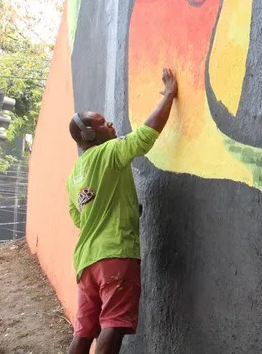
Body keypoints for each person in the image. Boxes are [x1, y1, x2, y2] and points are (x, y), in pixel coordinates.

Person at [66, 68, 178, 354]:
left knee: (84, 332)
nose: (110, 123)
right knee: (113, 326)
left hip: (86, 262)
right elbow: (144, 137)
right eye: (103, 122)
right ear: (91, 134)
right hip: (115, 255)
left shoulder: (73, 175)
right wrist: (169, 95)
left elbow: (80, 217)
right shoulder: (110, 151)